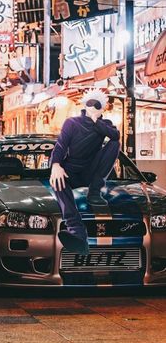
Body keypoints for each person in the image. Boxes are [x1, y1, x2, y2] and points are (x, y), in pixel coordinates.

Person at [49, 89, 120, 256]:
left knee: (115, 144)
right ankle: (77, 234)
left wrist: (96, 122)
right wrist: (56, 165)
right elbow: (60, 146)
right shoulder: (71, 123)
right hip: (70, 172)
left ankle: (95, 192)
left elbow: (115, 136)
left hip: (91, 172)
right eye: (91, 103)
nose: (94, 106)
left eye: (98, 104)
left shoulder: (105, 125)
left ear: (103, 108)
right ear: (84, 105)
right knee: (57, 181)